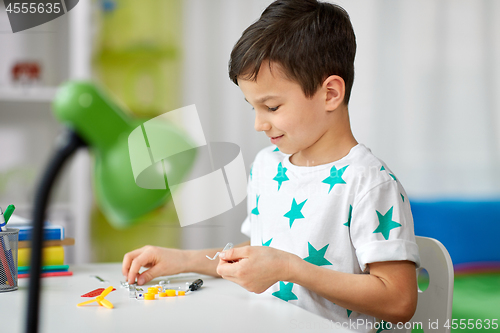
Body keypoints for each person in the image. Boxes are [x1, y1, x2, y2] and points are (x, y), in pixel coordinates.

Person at [122, 0, 420, 330]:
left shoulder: (369, 183)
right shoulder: (266, 166)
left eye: (272, 107)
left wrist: (291, 268)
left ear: (331, 93)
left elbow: (400, 299)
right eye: (253, 108)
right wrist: (182, 260)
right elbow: (264, 252)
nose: (259, 124)